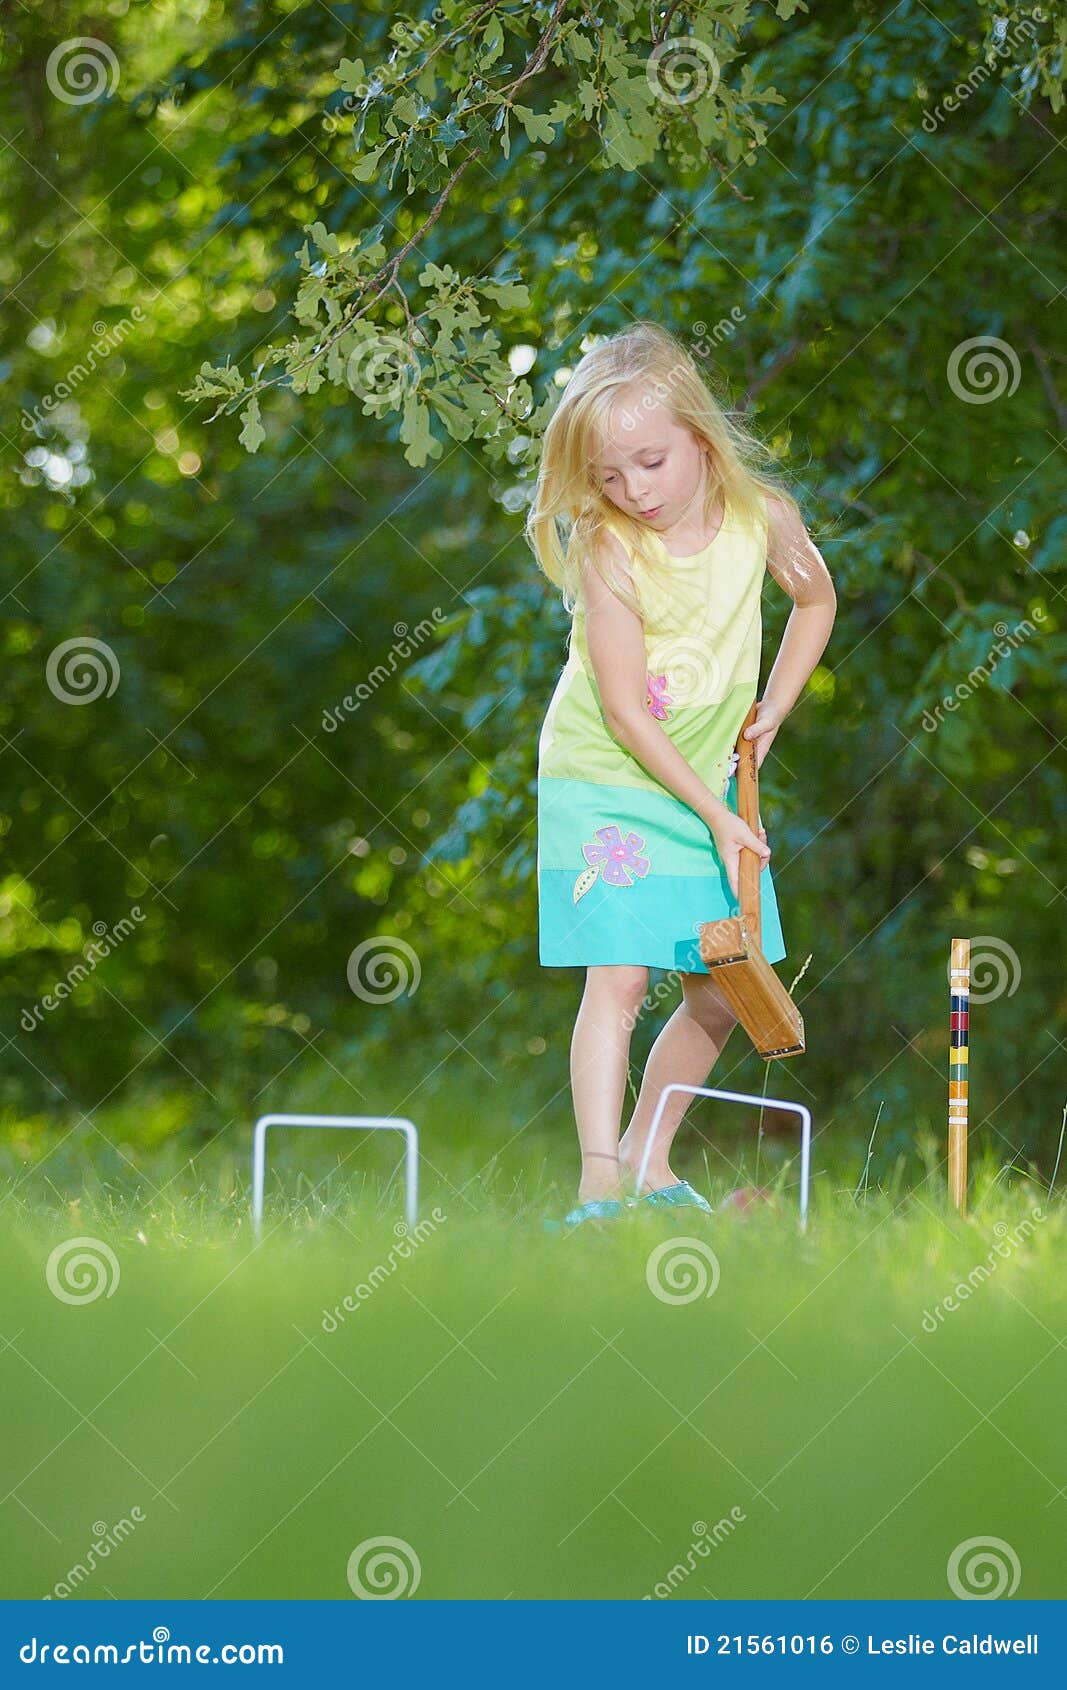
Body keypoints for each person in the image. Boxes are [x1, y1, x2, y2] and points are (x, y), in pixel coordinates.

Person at [527, 322, 836, 1229]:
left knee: (719, 990)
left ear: (699, 436)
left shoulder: (762, 519)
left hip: (706, 783)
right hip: (607, 780)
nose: (632, 491)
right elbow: (625, 711)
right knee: (619, 980)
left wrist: (772, 707)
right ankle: (596, 1189)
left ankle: (647, 1162)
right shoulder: (609, 545)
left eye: (650, 463)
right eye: (610, 476)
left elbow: (814, 599)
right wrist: (714, 813)